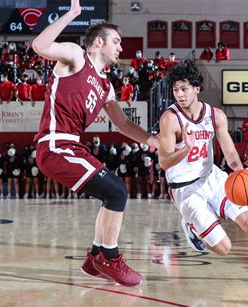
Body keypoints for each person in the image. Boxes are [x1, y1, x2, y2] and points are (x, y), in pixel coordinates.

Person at [32, 0, 158, 286]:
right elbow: (40, 45)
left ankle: (94, 258)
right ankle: (110, 258)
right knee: (117, 193)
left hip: (72, 147)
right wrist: (73, 14)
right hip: (55, 146)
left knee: (111, 194)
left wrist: (152, 140)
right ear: (98, 42)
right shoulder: (76, 56)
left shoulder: (106, 85)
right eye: (116, 41)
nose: (120, 48)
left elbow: (124, 124)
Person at [158, 60, 248, 283]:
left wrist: (241, 172)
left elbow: (231, 155)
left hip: (211, 177)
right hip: (184, 189)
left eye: (184, 89)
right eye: (175, 90)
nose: (179, 94)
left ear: (196, 88)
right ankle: (190, 224)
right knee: (224, 248)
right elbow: (164, 162)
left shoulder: (216, 116)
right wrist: (187, 150)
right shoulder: (170, 119)